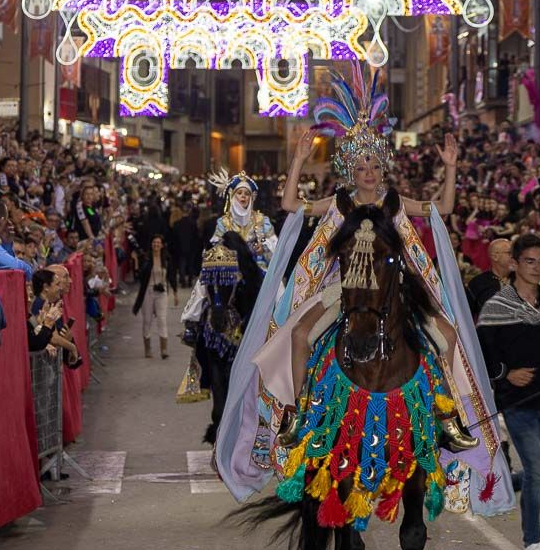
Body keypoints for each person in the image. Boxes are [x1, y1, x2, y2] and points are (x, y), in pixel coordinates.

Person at [215, 64, 514, 523]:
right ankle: (296, 412)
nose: (369, 172)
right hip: (342, 288)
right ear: (349, 169)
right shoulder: (338, 202)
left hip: (395, 287)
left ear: (382, 166)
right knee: (296, 336)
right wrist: (296, 160)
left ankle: (447, 417)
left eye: (374, 164)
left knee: (449, 335)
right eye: (361, 165)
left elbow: (445, 208)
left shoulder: (395, 201)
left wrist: (451, 169)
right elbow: (293, 205)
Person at [476, 233, 540, 550]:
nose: (537, 268)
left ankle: (501, 484)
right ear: (514, 264)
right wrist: (506, 374)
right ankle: (533, 542)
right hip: (516, 401)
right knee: (536, 470)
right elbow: (482, 355)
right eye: (530, 261)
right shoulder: (496, 307)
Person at [187, 234, 263, 447]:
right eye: (240, 195)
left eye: (245, 196)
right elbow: (204, 289)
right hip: (218, 320)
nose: (242, 197)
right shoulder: (217, 256)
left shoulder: (250, 271)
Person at [208, 170, 277, 270]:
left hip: (258, 270)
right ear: (232, 197)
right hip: (231, 271)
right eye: (239, 193)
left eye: (247, 193)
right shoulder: (224, 222)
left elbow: (274, 245)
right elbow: (214, 247)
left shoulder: (261, 220)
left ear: (251, 198)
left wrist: (263, 248)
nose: (243, 196)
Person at [132, 234, 178, 359]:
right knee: (147, 321)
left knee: (162, 320)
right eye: (154, 242)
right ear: (151, 244)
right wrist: (136, 262)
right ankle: (148, 349)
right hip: (148, 292)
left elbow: (171, 275)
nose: (156, 245)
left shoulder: (166, 259)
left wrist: (175, 292)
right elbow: (139, 276)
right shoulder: (146, 258)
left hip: (162, 293)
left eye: (158, 243)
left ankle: (164, 349)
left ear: (162, 245)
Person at [466, 237, 513, 320]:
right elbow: (466, 317)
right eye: (510, 253)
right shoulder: (477, 283)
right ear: (495, 257)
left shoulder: (523, 279)